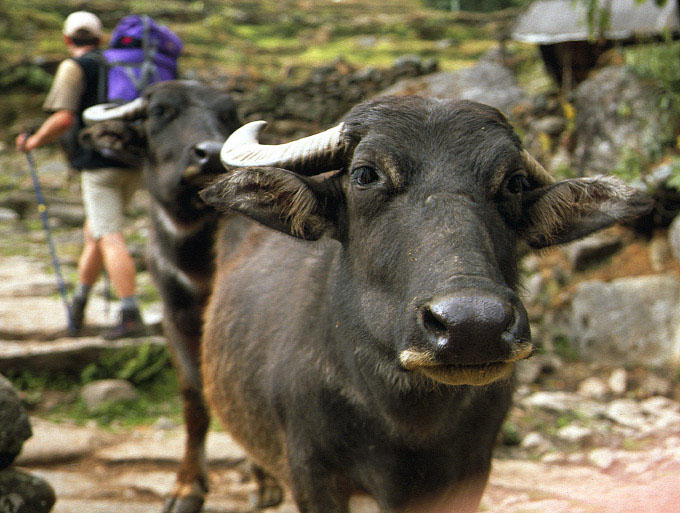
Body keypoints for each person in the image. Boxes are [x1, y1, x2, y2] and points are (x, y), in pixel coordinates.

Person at [16, 11, 146, 340]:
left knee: (109, 235)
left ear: (67, 39)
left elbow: (63, 119)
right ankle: (80, 302)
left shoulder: (75, 66)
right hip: (133, 160)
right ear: (101, 39)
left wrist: (32, 142)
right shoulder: (120, 65)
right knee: (96, 232)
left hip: (98, 164)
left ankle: (130, 314)